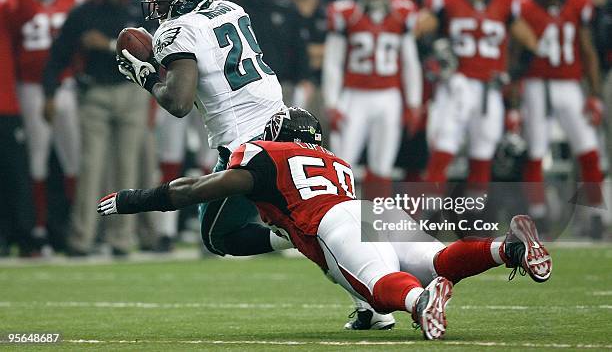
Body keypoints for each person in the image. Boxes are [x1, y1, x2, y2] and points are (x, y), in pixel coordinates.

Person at [97, 107, 553, 341]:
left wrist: (135, 200)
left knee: (381, 286)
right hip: (374, 210)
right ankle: (508, 249)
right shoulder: (335, 160)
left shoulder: (266, 155)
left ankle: (419, 303)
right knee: (433, 259)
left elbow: (195, 190)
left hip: (334, 221)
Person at [119, 0, 292, 258]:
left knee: (218, 237)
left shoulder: (176, 30)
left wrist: (145, 77)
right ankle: (369, 287)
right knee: (323, 216)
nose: (158, 0)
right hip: (284, 124)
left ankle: (295, 239)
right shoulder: (232, 9)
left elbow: (179, 102)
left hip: (246, 144)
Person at [43, 0, 146, 257]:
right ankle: (82, 238)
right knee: (91, 169)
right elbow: (57, 57)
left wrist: (106, 44)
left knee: (128, 169)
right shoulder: (83, 13)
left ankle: (121, 239)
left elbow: (154, 50)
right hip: (94, 94)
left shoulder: (137, 12)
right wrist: (49, 93)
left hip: (132, 93)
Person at [417, 0, 539, 189]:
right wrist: (433, 54)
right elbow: (418, 32)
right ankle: (426, 218)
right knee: (443, 149)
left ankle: (475, 220)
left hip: (489, 89)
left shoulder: (504, 0)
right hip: (456, 86)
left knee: (483, 155)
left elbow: (530, 43)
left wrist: (512, 75)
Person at [7, 0, 84, 253]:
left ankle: (70, 228)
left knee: (74, 161)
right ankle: (37, 229)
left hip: (66, 86)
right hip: (29, 87)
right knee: (36, 163)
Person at [518, 0, 604, 238]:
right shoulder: (525, 6)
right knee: (535, 151)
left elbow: (587, 49)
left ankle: (595, 213)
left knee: (589, 148)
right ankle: (539, 215)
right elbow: (516, 53)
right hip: (536, 84)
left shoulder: (578, 4)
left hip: (569, 84)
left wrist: (594, 93)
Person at [324, 0, 423, 192]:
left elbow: (411, 62)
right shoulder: (346, 14)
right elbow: (333, 62)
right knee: (341, 164)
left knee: (382, 167)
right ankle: (338, 222)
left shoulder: (402, 14)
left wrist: (413, 102)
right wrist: (332, 103)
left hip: (389, 97)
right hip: (354, 96)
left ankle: (373, 225)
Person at [230, 0, 311, 105]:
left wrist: (303, 79)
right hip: (237, 87)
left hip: (279, 85)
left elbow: (299, 49)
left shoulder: (286, 8)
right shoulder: (227, 7)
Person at [0, 0, 38, 257]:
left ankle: (24, 237)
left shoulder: (3, 2)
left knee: (14, 174)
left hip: (4, 103)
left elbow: (27, 12)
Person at [578, 0, 611, 239]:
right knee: (587, 150)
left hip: (609, 77)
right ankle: (591, 215)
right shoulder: (573, 4)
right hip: (580, 82)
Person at [287, 0, 326, 133]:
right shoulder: (280, 11)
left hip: (321, 85)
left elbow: (334, 55)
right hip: (286, 84)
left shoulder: (328, 14)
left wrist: (301, 52)